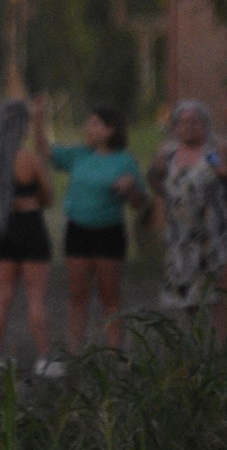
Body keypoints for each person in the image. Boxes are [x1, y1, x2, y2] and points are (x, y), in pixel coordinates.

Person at [34, 96, 148, 352]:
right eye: (89, 124)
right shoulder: (78, 155)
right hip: (78, 231)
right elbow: (44, 148)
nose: (89, 128)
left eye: (96, 124)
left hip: (109, 233)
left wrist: (130, 189)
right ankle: (74, 351)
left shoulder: (124, 160)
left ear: (111, 129)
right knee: (77, 294)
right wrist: (38, 117)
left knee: (110, 296)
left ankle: (114, 351)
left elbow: (140, 203)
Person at [0, 98, 61, 377]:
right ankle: (44, 358)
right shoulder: (29, 159)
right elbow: (48, 197)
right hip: (30, 229)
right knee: (36, 297)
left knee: (2, 296)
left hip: (4, 230)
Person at [147, 100, 227, 315]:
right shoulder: (169, 155)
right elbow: (156, 179)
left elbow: (224, 173)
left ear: (205, 125)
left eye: (195, 122)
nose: (189, 126)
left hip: (209, 235)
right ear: (175, 127)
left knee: (213, 292)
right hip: (180, 236)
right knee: (186, 294)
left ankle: (219, 341)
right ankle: (193, 342)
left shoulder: (210, 152)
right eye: (183, 122)